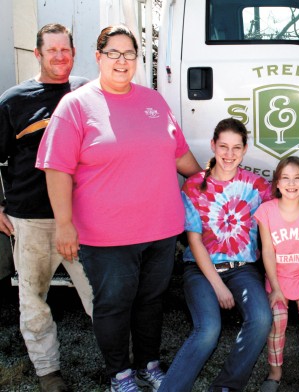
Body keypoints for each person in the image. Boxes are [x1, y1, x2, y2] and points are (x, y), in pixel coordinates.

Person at [35, 25, 201, 392]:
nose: (122, 61)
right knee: (114, 306)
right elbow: (57, 168)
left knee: (151, 303)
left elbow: (179, 154)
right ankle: (120, 375)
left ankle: (148, 365)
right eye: (114, 53)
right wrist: (64, 224)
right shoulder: (76, 105)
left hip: (161, 229)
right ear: (98, 57)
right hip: (107, 236)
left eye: (129, 54)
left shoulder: (153, 100)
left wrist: (211, 179)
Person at [159, 118, 299, 392]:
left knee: (261, 319)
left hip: (242, 268)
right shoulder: (193, 186)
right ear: (212, 145)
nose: (229, 154)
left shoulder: (257, 186)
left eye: (236, 147)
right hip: (202, 270)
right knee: (208, 330)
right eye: (223, 146)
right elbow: (195, 242)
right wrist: (218, 286)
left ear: (245, 149)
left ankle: (226, 385)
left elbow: (292, 213)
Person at [0, 23, 93, 392]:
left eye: (65, 50)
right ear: (37, 54)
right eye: (51, 50)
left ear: (74, 52)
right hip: (32, 219)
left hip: (85, 218)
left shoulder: (88, 93)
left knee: (103, 295)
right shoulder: (14, 101)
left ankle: (124, 361)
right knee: (34, 300)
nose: (60, 57)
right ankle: (47, 373)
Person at [254, 156, 299, 392]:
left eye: (297, 178)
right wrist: (274, 287)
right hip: (278, 280)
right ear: (276, 183)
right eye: (285, 178)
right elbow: (267, 250)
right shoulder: (266, 211)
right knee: (277, 322)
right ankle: (275, 372)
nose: (291, 183)